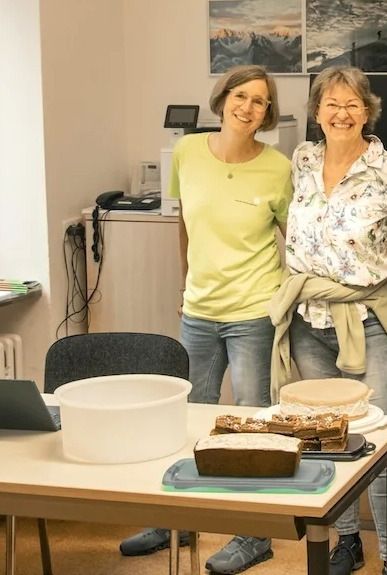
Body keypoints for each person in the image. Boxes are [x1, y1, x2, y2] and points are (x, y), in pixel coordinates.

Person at [119, 64, 293, 575]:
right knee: (188, 419)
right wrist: (185, 284)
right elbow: (183, 224)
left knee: (254, 426)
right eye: (241, 96)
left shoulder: (279, 167)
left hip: (254, 312)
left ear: (268, 112)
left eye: (260, 101)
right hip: (198, 310)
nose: (248, 107)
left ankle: (254, 534)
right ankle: (176, 521)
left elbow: (294, 238)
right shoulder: (189, 152)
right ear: (222, 99)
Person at [268, 66, 387, 575]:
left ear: (368, 111)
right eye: (331, 104)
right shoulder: (301, 160)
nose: (342, 113)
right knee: (329, 438)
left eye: (352, 104)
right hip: (308, 320)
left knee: (380, 440)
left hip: (367, 318)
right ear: (316, 113)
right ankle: (346, 542)